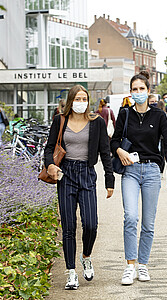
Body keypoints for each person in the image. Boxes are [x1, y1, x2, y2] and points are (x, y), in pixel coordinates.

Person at [44, 85, 115, 290]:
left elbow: (105, 151)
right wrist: (50, 165)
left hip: (86, 173)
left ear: (88, 101)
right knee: (68, 226)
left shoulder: (97, 122)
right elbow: (49, 147)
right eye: (77, 98)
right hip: (65, 174)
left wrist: (109, 180)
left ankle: (86, 256)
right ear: (70, 101)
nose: (80, 102)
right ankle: (71, 273)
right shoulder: (60, 120)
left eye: (84, 98)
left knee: (91, 223)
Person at [110, 71, 167, 286]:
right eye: (134, 89)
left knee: (148, 223)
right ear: (131, 92)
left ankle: (143, 264)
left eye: (142, 89)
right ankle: (130, 265)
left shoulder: (159, 116)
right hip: (130, 170)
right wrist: (119, 151)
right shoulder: (125, 114)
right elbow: (114, 141)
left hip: (151, 171)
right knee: (130, 217)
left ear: (149, 92)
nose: (138, 92)